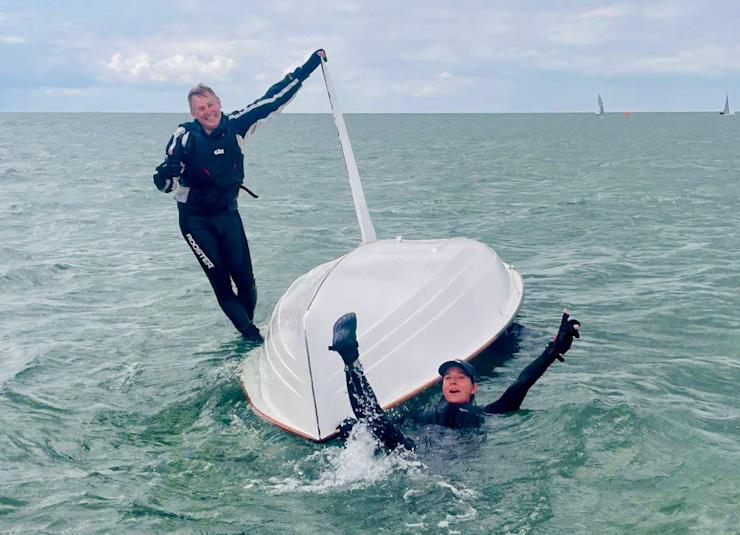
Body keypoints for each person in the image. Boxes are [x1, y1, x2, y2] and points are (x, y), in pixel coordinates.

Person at [152, 49, 326, 342]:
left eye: (210, 104)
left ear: (219, 102)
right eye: (200, 109)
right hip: (195, 221)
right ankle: (252, 338)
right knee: (221, 282)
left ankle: (248, 333)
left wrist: (308, 66)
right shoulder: (185, 137)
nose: (207, 112)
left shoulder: (237, 126)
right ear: (193, 114)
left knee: (246, 281)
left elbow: (273, 99)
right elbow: (167, 185)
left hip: (228, 214)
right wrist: (161, 177)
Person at [328, 310, 581, 450]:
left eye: (461, 377)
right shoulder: (423, 414)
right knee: (375, 423)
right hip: (410, 454)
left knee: (376, 424)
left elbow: (521, 383)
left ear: (474, 388)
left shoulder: (487, 413)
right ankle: (350, 358)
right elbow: (388, 426)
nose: (453, 381)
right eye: (448, 377)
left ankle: (351, 360)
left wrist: (553, 350)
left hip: (448, 470)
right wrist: (358, 431)